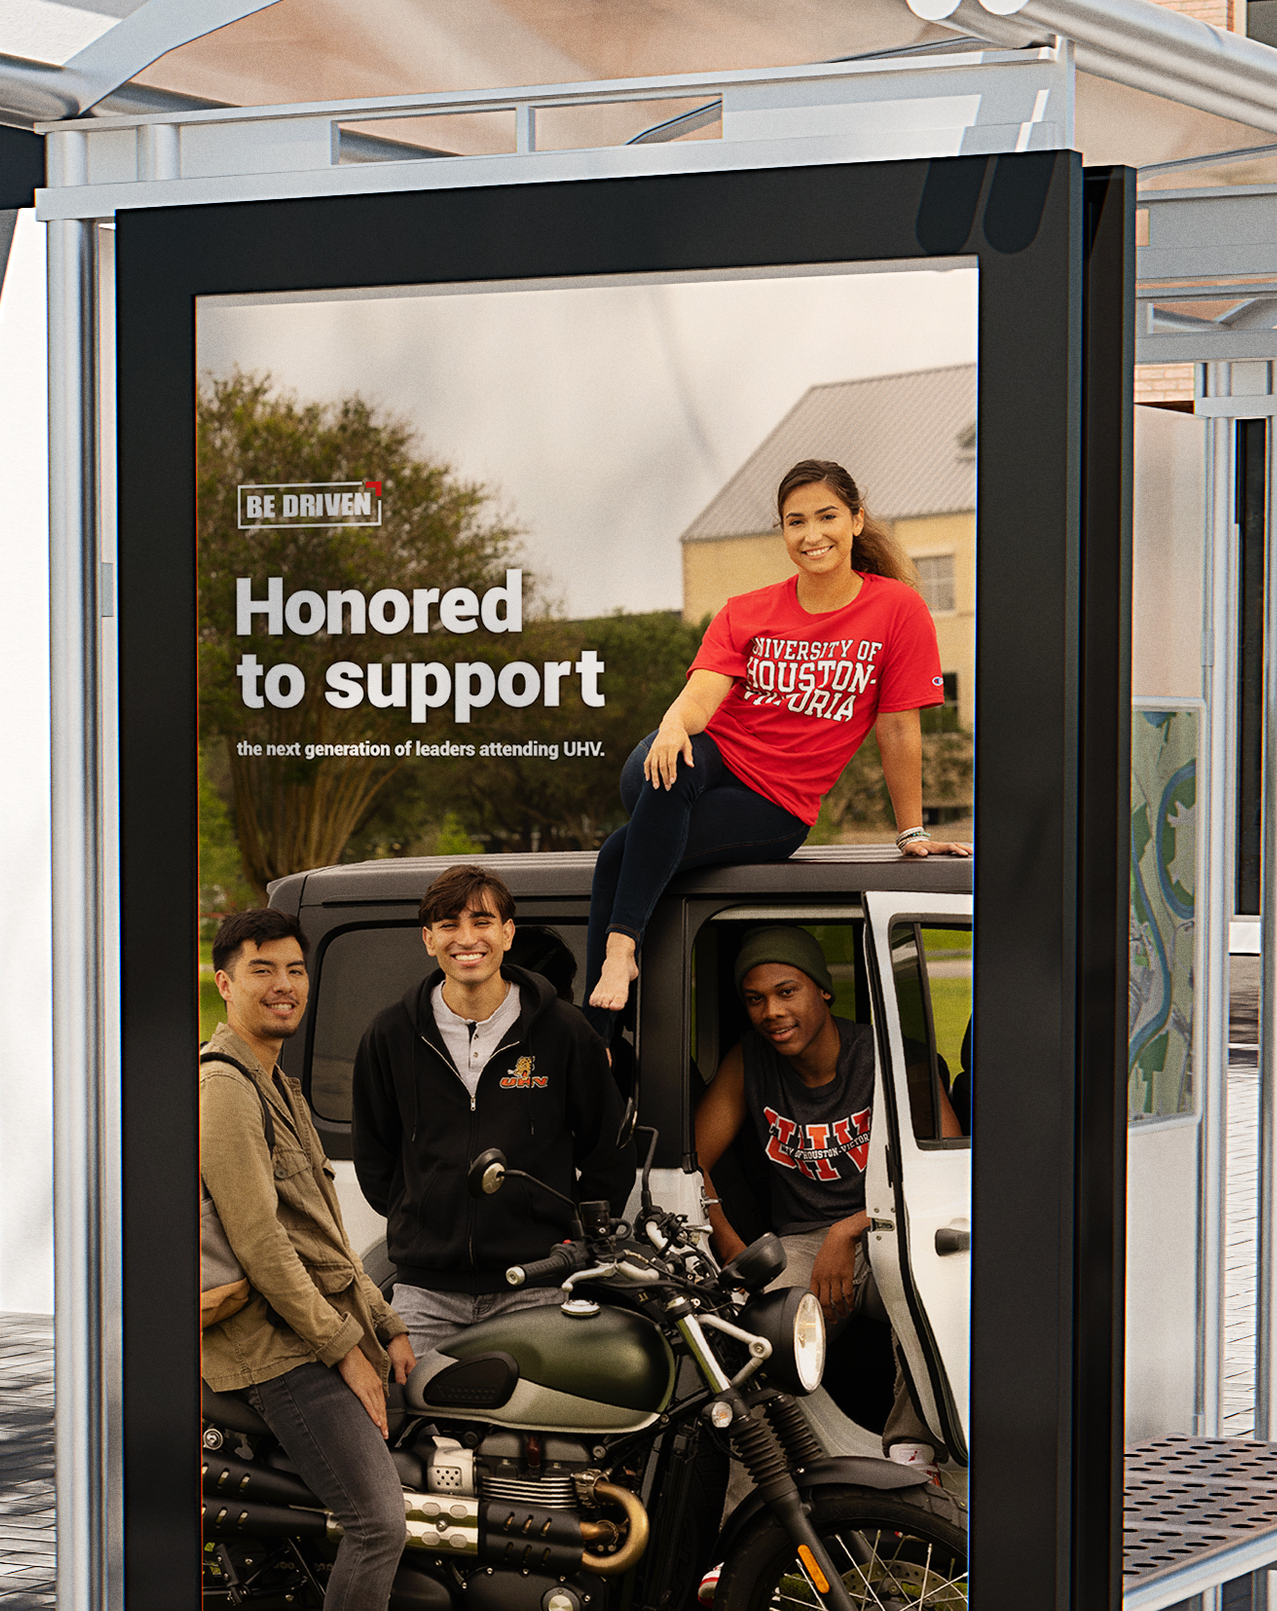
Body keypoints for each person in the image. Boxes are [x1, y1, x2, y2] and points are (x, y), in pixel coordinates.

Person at [584, 458, 971, 1023]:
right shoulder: (748, 610)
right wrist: (670, 726)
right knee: (670, 768)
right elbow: (701, 697)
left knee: (621, 853)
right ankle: (621, 951)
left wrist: (912, 830)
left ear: (857, 520)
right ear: (783, 532)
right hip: (703, 760)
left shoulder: (897, 609)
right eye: (796, 522)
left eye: (826, 516)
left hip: (775, 805)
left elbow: (897, 726)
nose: (812, 535)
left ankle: (600, 1038)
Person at [199, 909, 435, 1611]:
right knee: (377, 1520)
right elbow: (263, 1246)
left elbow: (325, 1239)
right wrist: (345, 1349)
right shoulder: (225, 1087)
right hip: (269, 1350)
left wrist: (384, 1320)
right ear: (224, 982)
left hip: (316, 1330)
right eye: (263, 970)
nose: (284, 985)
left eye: (295, 969)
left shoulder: (280, 1085)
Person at [692, 923, 953, 1464]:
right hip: (803, 1244)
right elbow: (691, 1159)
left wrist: (850, 1228)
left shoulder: (886, 1057)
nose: (772, 1012)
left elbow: (949, 1171)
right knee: (753, 1344)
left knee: (926, 1297)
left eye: (787, 992)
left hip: (891, 1229)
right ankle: (763, 1497)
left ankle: (913, 1463)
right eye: (755, 999)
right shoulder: (750, 1060)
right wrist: (730, 1242)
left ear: (823, 991)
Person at [352, 862, 633, 1361]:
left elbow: (608, 1153)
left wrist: (567, 1239)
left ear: (507, 933)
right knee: (408, 1408)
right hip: (425, 1294)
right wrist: (423, 1218)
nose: (467, 939)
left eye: (482, 922)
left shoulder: (565, 1031)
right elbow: (374, 1158)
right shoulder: (389, 1034)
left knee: (539, 1414)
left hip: (536, 1285)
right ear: (428, 939)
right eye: (448, 925)